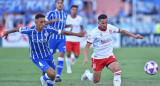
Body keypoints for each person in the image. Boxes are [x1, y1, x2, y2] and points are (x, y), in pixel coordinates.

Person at [2, 14, 84, 86]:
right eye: (41, 22)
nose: (43, 24)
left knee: (52, 78)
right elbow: (17, 29)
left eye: (44, 22)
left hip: (48, 56)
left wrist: (77, 34)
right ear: (36, 22)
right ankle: (43, 79)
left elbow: (63, 32)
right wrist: (7, 32)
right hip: (37, 57)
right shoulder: (30, 30)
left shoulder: (48, 29)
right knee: (52, 74)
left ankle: (45, 80)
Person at [81, 14, 143, 86]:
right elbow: (87, 46)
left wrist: (134, 36)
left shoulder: (110, 27)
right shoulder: (94, 33)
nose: (105, 25)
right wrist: (85, 58)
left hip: (109, 56)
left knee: (117, 71)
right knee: (95, 80)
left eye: (106, 22)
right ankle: (87, 74)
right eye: (103, 23)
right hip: (98, 58)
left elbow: (122, 31)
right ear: (98, 23)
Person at [45, 0, 72, 82]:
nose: (59, 5)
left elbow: (62, 25)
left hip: (62, 38)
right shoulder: (51, 13)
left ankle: (57, 76)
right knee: (48, 56)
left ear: (63, 4)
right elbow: (43, 23)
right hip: (52, 38)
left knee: (61, 54)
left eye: (61, 3)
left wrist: (69, 25)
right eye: (58, 3)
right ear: (55, 4)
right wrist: (52, 21)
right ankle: (46, 72)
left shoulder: (65, 14)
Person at [65, 5, 84, 74]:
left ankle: (73, 57)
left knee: (77, 55)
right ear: (71, 10)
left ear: (77, 11)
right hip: (68, 38)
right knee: (68, 53)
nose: (74, 11)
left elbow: (81, 27)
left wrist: (82, 32)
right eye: (73, 9)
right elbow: (63, 25)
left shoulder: (80, 18)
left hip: (76, 39)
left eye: (75, 10)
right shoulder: (67, 17)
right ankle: (68, 68)